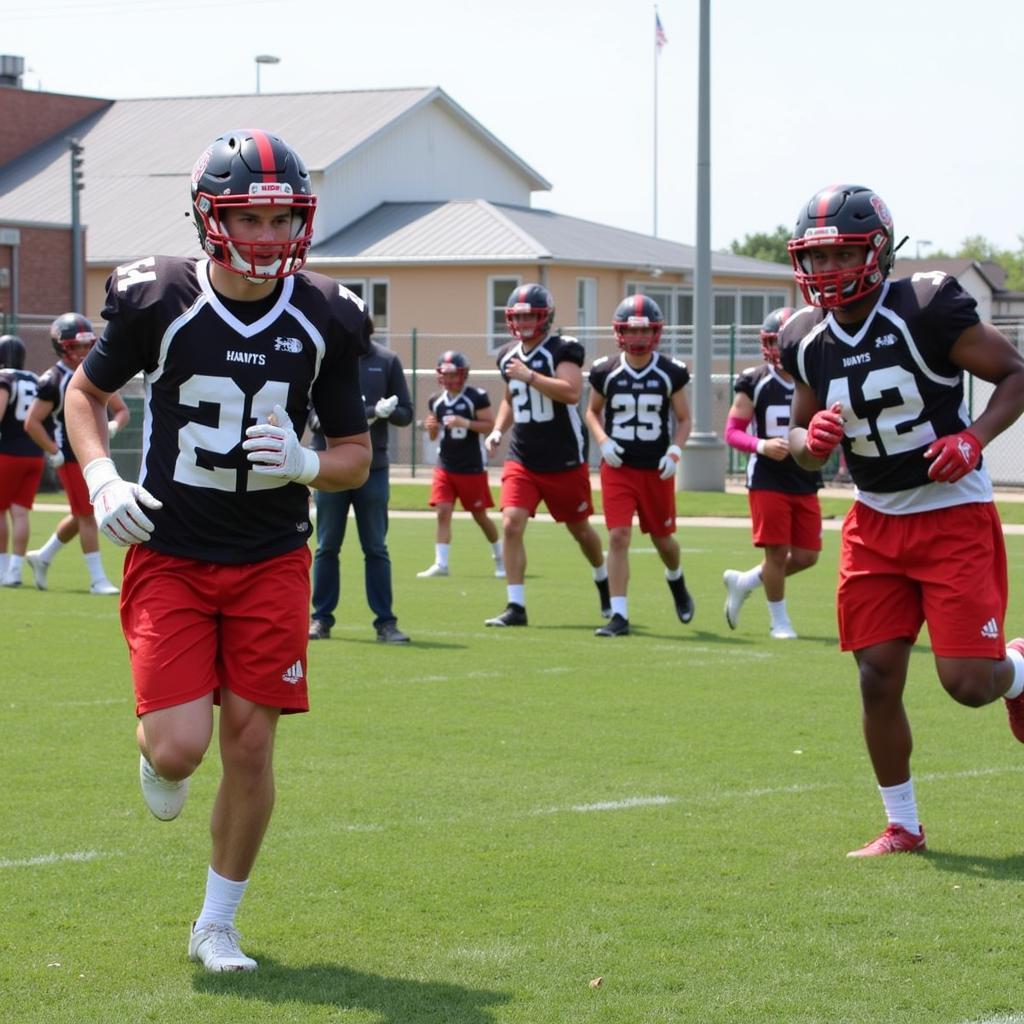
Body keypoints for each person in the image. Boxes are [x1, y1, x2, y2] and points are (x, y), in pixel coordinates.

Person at [64, 128, 372, 971]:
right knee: (176, 750)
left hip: (272, 555)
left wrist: (309, 462)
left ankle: (217, 924)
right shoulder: (159, 298)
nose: (271, 236)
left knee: (250, 741)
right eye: (253, 217)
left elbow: (355, 454)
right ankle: (156, 759)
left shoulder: (325, 316)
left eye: (284, 218)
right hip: (171, 547)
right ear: (211, 217)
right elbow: (82, 395)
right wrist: (100, 481)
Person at [781, 183, 1024, 858]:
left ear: (878, 251)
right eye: (816, 257)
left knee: (968, 685)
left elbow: (1015, 375)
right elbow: (797, 439)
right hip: (874, 519)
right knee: (877, 675)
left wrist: (973, 438)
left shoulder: (925, 305)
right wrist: (813, 442)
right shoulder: (804, 337)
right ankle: (903, 826)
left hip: (952, 514)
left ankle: (1018, 669)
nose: (826, 270)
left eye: (840, 254)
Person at [484, 283, 609, 627]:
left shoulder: (563, 349)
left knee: (580, 530)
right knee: (511, 523)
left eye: (530, 315)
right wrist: (497, 429)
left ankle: (603, 578)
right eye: (518, 316)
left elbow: (570, 392)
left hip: (563, 457)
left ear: (546, 317)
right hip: (522, 456)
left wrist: (531, 375)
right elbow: (512, 396)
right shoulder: (508, 355)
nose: (523, 322)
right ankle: (516, 606)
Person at [584, 295, 694, 637]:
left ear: (656, 333)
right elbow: (592, 412)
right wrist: (603, 440)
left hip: (656, 468)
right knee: (618, 536)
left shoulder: (670, 371)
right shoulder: (605, 370)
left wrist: (675, 451)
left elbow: (684, 418)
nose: (637, 338)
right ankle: (619, 615)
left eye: (644, 330)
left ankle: (676, 579)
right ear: (619, 333)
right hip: (618, 467)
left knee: (664, 541)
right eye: (631, 331)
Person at [721, 306, 823, 639]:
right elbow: (732, 431)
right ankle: (779, 621)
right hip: (767, 476)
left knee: (808, 556)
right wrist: (762, 446)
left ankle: (747, 580)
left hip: (805, 475)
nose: (781, 349)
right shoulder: (755, 380)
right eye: (775, 342)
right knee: (776, 552)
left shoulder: (818, 376)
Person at [308, 338, 413, 643]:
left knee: (376, 547)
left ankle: (385, 622)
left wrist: (389, 412)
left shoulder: (386, 359)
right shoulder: (323, 357)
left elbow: (405, 413)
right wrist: (370, 411)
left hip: (373, 467)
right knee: (327, 545)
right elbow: (313, 419)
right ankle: (321, 619)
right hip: (330, 466)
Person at [23, 314, 128, 595]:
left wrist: (114, 425)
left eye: (86, 346)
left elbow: (122, 409)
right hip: (70, 455)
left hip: (96, 454)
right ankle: (97, 580)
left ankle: (42, 556)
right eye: (75, 346)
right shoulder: (52, 379)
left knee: (82, 512)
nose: (82, 353)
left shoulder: (97, 370)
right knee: (87, 515)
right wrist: (53, 451)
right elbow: (32, 422)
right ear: (60, 347)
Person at [417, 350, 504, 579]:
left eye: (452, 374)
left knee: (479, 515)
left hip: (471, 466)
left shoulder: (476, 396)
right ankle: (441, 563)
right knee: (442, 511)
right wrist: (432, 428)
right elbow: (435, 436)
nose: (447, 379)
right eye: (444, 374)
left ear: (463, 375)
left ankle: (500, 557)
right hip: (445, 465)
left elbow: (490, 425)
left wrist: (464, 422)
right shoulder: (436, 400)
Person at [0, 334, 46, 586]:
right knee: (20, 513)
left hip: (8, 453)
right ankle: (15, 572)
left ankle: (2, 569)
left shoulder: (5, 378)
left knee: (0, 511)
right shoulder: (35, 379)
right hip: (34, 453)